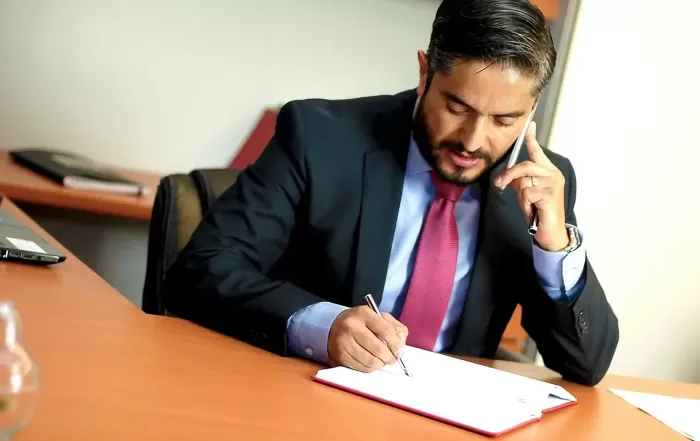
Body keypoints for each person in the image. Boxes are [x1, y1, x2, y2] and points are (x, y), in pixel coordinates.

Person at [161, 0, 618, 386]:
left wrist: (555, 245)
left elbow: (586, 364)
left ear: (532, 107)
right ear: (424, 72)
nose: (474, 141)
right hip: (300, 394)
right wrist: (321, 326)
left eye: (504, 121)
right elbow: (201, 270)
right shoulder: (318, 137)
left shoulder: (542, 185)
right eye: (457, 107)